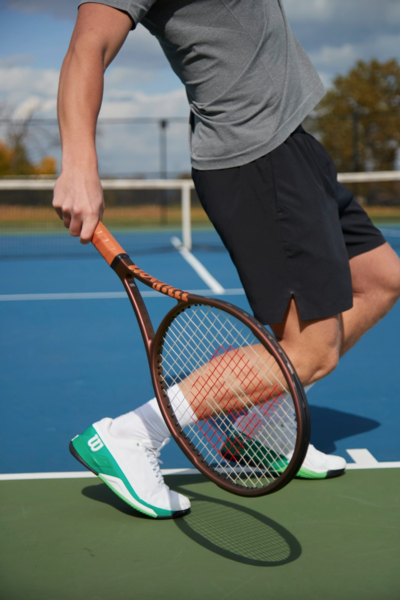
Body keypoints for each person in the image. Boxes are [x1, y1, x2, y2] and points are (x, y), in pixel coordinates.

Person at [54, 1, 400, 519]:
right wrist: (79, 163)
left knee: (381, 279)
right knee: (311, 352)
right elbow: (88, 44)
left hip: (294, 143)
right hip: (256, 155)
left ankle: (261, 422)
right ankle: (132, 434)